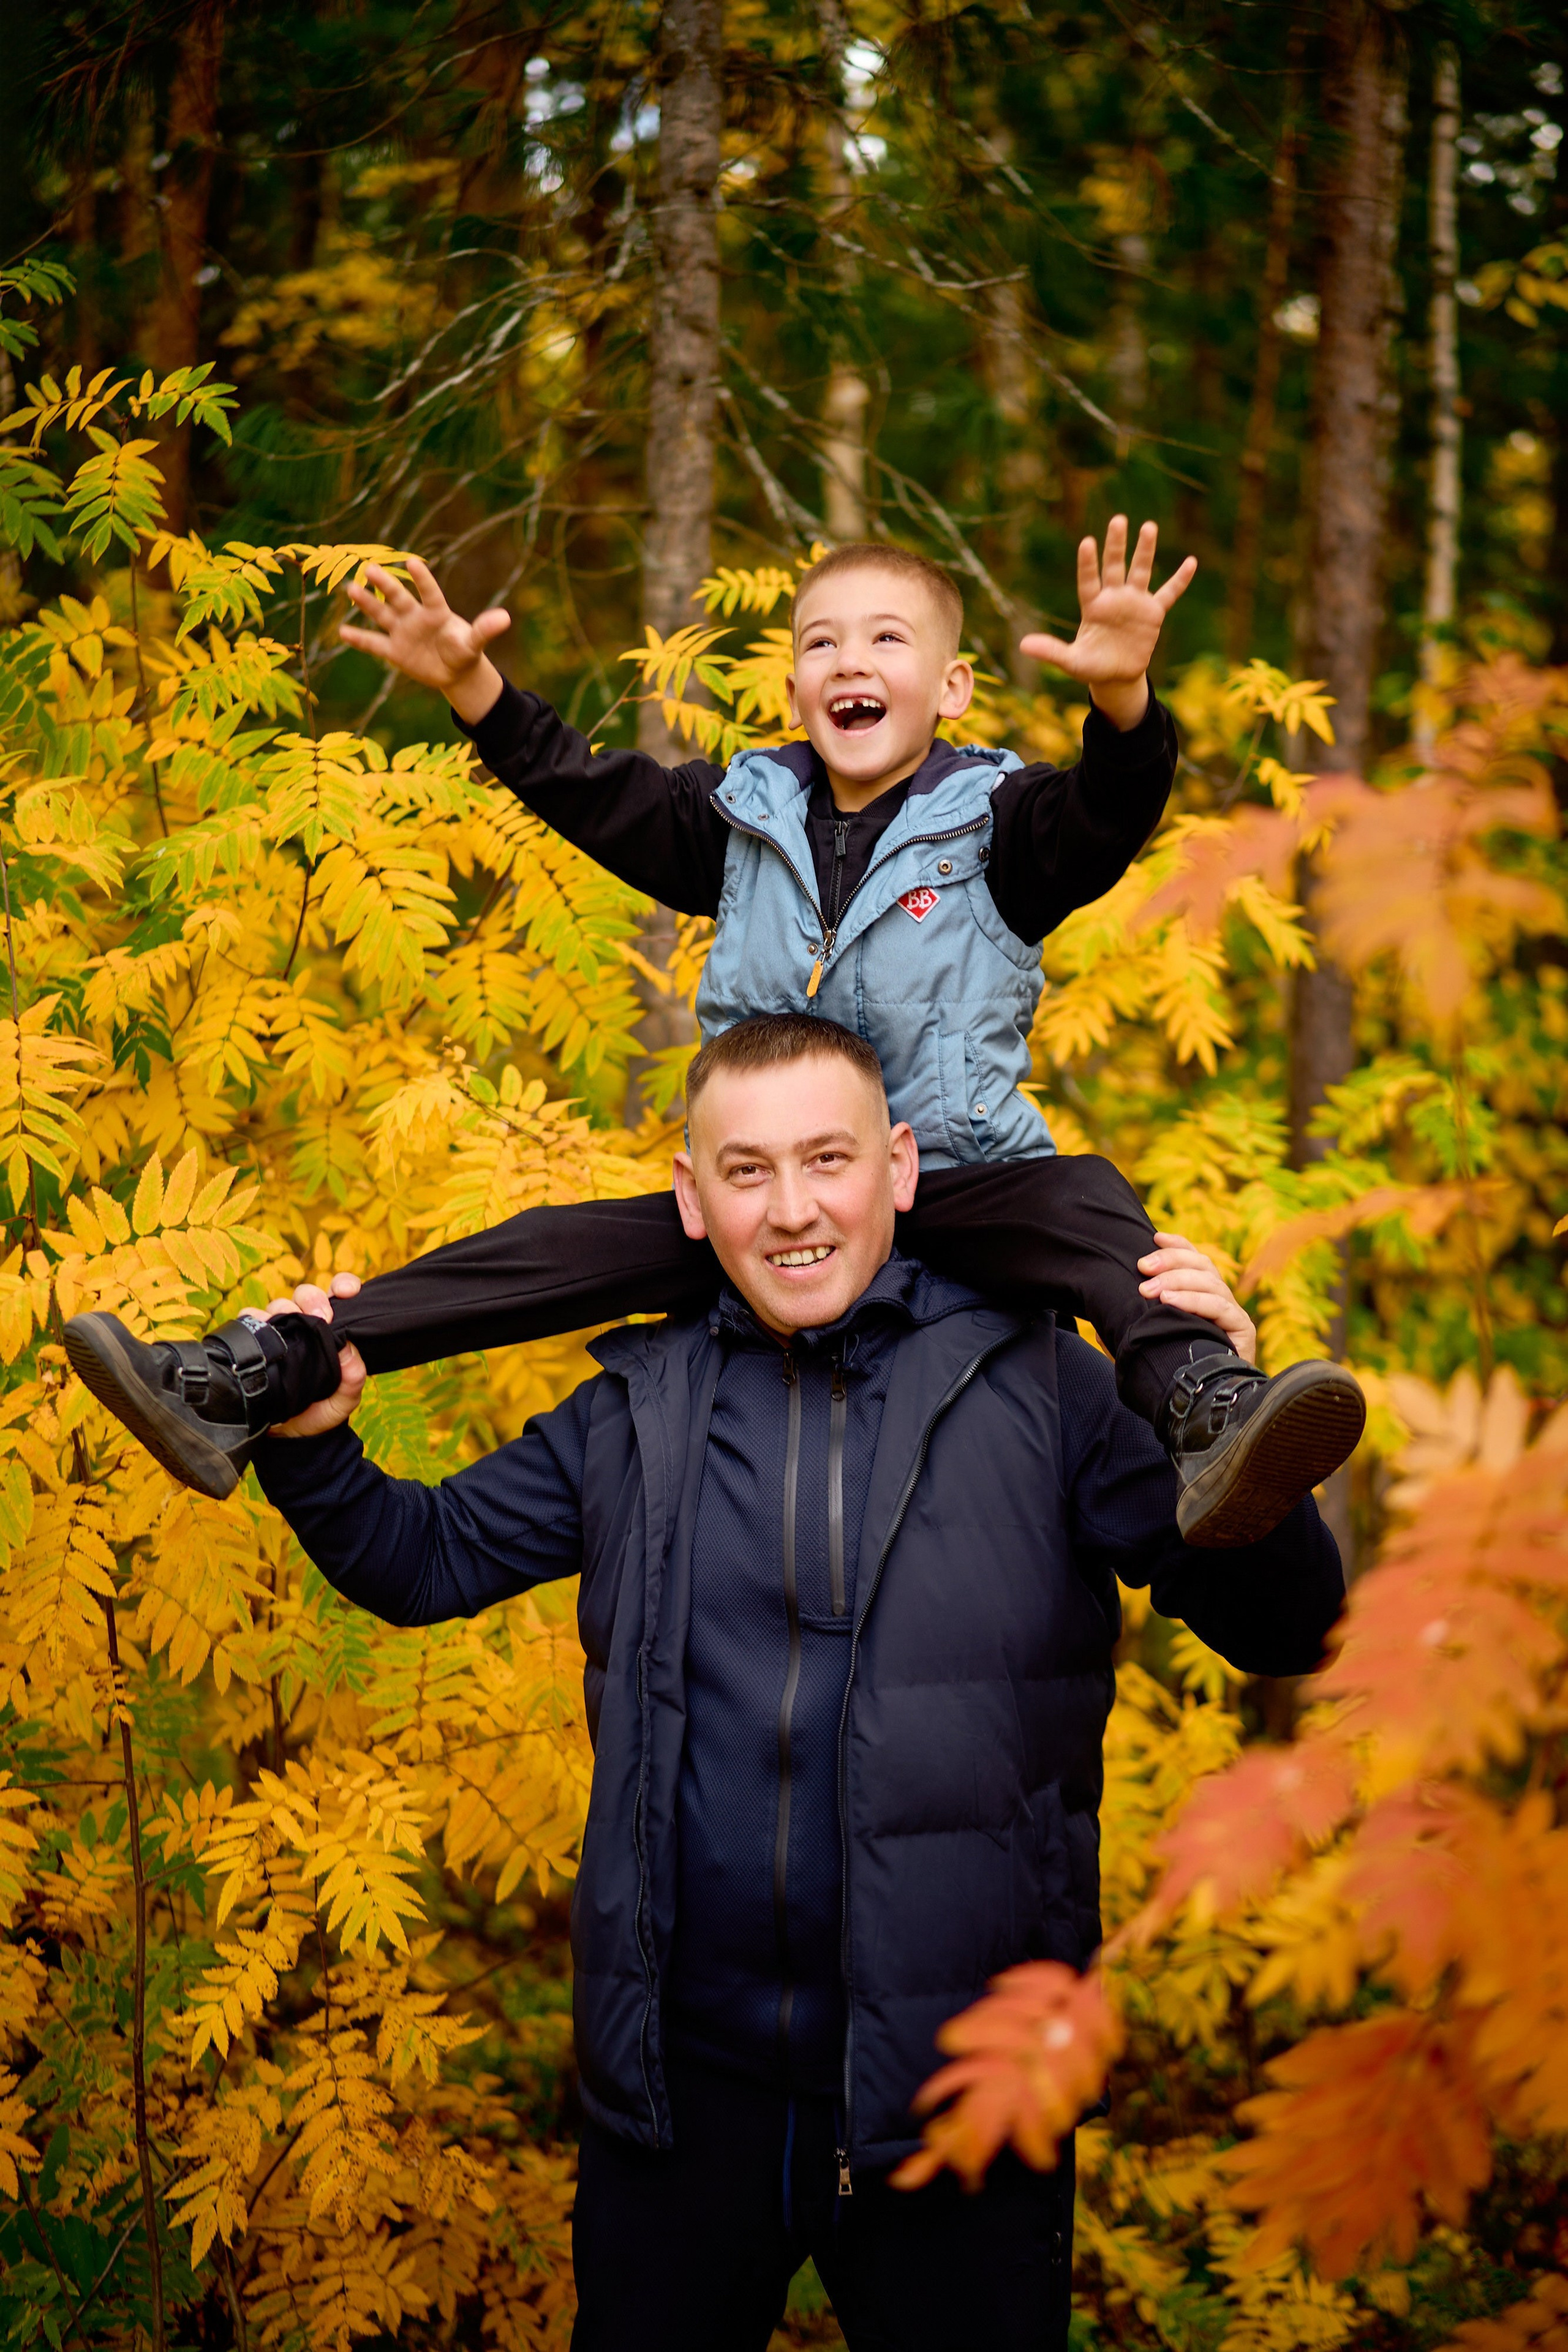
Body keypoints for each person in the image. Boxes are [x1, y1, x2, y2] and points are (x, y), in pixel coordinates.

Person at [245, 1014, 1344, 2352]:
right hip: (676, 2094)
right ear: (690, 1198)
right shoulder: (634, 1405)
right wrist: (308, 1449)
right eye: (748, 1169)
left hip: (962, 2098)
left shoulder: (1049, 1387)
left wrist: (1232, 1444)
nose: (792, 1209)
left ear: (897, 1167)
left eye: (825, 1159)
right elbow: (423, 1562)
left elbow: (1284, 1627)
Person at [65, 527, 1364, 1544]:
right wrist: (471, 685)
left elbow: (1106, 813)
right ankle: (246, 1375)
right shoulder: (733, 824)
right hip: (765, 1190)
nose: (850, 662)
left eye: (887, 639)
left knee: (1094, 1213)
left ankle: (1207, 1412)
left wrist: (1125, 708)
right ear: (793, 683)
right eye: (819, 643)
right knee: (536, 1250)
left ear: (951, 683)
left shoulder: (1001, 827)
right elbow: (589, 790)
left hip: (956, 1173)